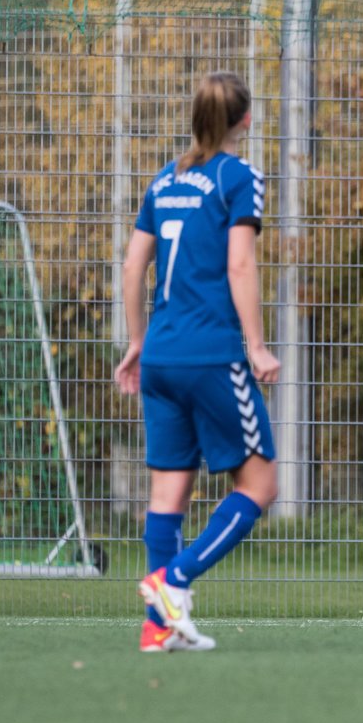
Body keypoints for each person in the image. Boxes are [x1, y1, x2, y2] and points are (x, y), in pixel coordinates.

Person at [115, 71, 279, 652]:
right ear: (246, 120)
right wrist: (256, 346)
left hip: (160, 353)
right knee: (261, 484)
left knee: (168, 494)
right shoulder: (241, 177)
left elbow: (134, 267)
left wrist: (137, 341)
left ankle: (159, 630)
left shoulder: (165, 180)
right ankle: (172, 581)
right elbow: (240, 265)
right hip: (210, 354)